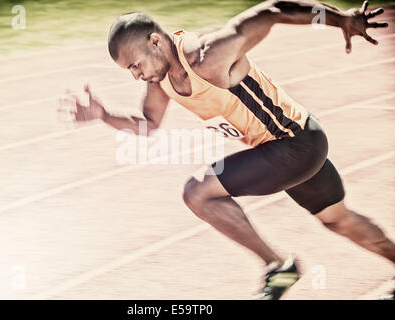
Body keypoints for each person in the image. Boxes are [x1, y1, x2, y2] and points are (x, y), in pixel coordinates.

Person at [59, 0, 395, 299]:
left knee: (198, 192)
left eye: (135, 65)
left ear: (156, 42)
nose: (136, 76)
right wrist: (103, 115)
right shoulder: (159, 82)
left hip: (296, 144)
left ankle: (279, 267)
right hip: (290, 149)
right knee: (339, 221)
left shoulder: (209, 55)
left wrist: (342, 20)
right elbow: (148, 124)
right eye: (129, 71)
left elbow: (272, 12)